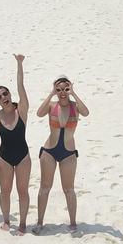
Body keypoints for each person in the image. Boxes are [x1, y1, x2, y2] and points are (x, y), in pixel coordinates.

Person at [36, 76, 90, 234]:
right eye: (58, 90)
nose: (62, 93)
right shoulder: (52, 105)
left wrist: (74, 93)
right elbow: (39, 113)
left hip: (68, 153)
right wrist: (51, 94)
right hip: (49, 151)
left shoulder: (75, 106)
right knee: (45, 187)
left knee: (69, 189)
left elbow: (86, 113)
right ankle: (39, 222)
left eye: (65, 89)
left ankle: (73, 223)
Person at [0, 54, 32, 234]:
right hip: (4, 158)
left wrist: (19, 64)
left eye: (5, 93)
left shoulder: (21, 109)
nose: (3, 97)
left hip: (23, 157)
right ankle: (6, 220)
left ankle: (22, 222)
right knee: (5, 191)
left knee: (22, 191)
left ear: (9, 94)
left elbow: (21, 86)